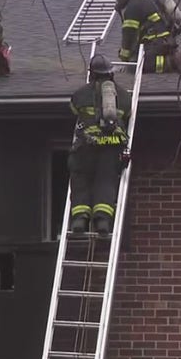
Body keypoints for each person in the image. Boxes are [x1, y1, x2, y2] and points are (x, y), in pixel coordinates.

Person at [68, 54, 132, 235]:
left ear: (92, 74)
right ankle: (103, 221)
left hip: (86, 146)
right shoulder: (125, 96)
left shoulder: (81, 94)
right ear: (111, 74)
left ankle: (80, 220)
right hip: (112, 148)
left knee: (81, 180)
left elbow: (73, 109)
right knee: (106, 181)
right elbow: (127, 115)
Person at [108, 0, 181, 74]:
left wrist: (124, 58)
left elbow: (129, 36)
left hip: (154, 45)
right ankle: (172, 60)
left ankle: (170, 63)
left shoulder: (133, 7)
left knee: (134, 67)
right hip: (165, 42)